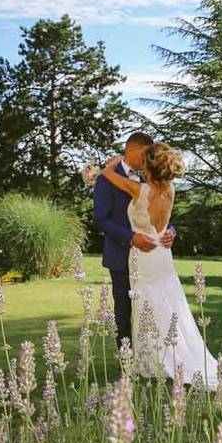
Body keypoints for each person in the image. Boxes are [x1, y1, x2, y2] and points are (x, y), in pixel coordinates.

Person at [99, 142, 222, 389]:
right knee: (168, 304)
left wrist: (112, 161)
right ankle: (170, 355)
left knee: (147, 306)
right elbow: (163, 223)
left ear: (148, 167)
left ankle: (155, 361)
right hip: (161, 252)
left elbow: (108, 174)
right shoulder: (170, 189)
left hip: (143, 254)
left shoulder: (139, 190)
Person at [93, 132, 175, 351]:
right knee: (124, 309)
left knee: (154, 305)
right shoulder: (105, 179)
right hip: (120, 255)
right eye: (145, 153)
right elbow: (100, 218)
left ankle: (155, 354)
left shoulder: (149, 180)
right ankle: (127, 360)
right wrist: (131, 237)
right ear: (131, 150)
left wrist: (170, 231)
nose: (148, 158)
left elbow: (163, 216)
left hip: (150, 257)